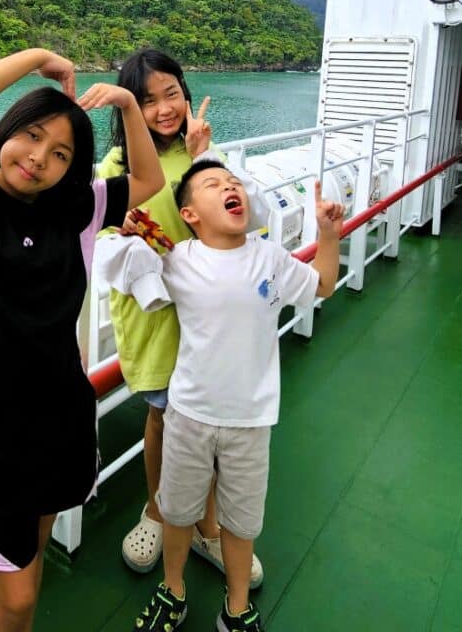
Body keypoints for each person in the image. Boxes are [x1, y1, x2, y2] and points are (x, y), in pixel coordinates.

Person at [0, 48, 164, 632]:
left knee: (33, 563)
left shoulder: (76, 210)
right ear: (7, 130)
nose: (38, 158)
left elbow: (149, 179)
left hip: (64, 413)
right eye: (30, 136)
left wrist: (128, 104)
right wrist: (36, 59)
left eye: (59, 154)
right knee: (18, 593)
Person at [102, 159, 344, 632]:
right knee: (175, 510)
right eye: (213, 185)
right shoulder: (178, 260)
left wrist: (328, 234)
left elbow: (322, 284)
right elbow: (127, 261)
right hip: (188, 415)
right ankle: (173, 589)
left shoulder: (269, 257)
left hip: (250, 421)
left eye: (234, 184)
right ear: (190, 214)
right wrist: (127, 229)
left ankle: (236, 607)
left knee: (242, 521)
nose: (229, 187)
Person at [94, 49, 265, 588]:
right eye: (147, 100)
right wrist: (120, 234)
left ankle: (207, 526)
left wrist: (204, 157)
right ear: (129, 113)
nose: (164, 108)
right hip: (156, 314)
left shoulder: (204, 159)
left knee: (209, 419)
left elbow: (236, 222)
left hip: (209, 313)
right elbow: (99, 241)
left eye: (172, 93)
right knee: (165, 415)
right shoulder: (116, 168)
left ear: (186, 94)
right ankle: (160, 509)